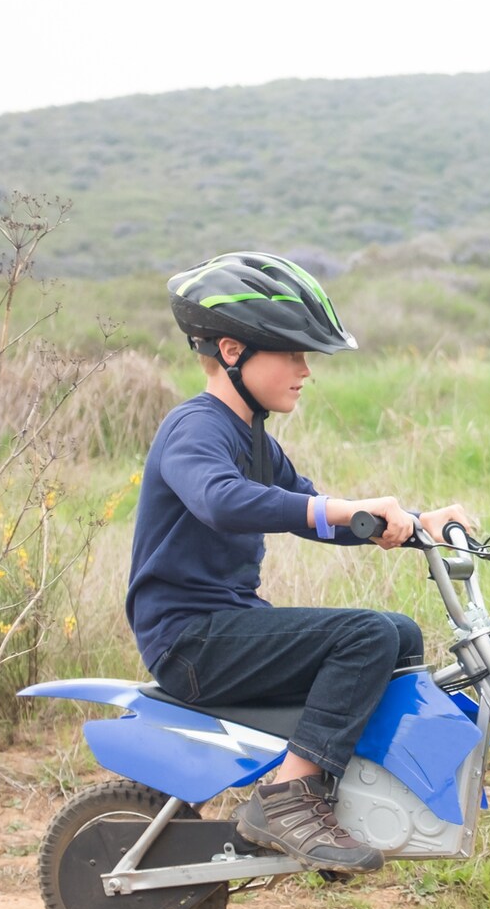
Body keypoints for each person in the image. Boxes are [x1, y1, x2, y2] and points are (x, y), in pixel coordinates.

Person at [125, 250, 472, 872]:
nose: (304, 371)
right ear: (232, 352)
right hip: (191, 641)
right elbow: (222, 502)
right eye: (291, 354)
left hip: (228, 627)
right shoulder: (195, 430)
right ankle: (288, 800)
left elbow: (312, 511)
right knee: (364, 634)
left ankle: (340, 799)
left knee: (396, 634)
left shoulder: (255, 442)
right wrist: (341, 508)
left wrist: (417, 525)